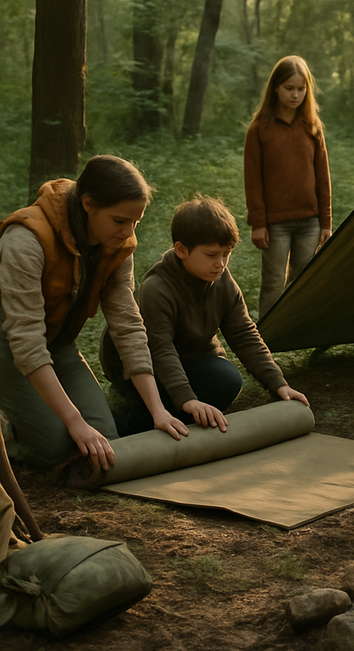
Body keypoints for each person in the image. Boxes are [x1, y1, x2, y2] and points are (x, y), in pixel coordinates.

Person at [0, 155, 188, 472]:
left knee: (106, 442)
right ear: (88, 203)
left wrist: (157, 410)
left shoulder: (117, 244)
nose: (128, 231)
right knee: (60, 447)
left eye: (136, 222)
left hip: (57, 345)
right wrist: (73, 421)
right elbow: (26, 341)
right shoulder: (25, 241)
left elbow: (127, 325)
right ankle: (9, 423)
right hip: (7, 347)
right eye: (119, 220)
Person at [101, 195, 308, 436]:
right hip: (139, 366)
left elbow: (244, 333)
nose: (220, 264)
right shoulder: (157, 288)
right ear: (181, 250)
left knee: (227, 378)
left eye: (226, 254)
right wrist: (188, 399)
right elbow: (160, 349)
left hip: (189, 356)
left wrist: (278, 384)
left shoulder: (222, 280)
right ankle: (133, 416)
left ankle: (174, 412)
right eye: (211, 255)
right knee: (165, 402)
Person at [244, 55, 332, 319]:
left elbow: (323, 177)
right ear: (275, 88)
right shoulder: (259, 129)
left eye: (301, 89)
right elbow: (253, 180)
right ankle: (267, 338)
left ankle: (302, 330)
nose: (296, 95)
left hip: (310, 221)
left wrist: (326, 222)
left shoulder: (312, 127)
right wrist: (258, 223)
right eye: (289, 88)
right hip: (275, 224)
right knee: (273, 281)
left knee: (306, 279)